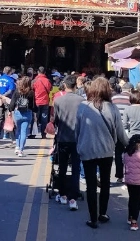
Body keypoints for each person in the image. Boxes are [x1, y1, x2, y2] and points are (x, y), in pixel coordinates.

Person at [75, 77, 129, 229]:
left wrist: (78, 146)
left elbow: (77, 129)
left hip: (87, 149)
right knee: (105, 183)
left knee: (91, 185)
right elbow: (120, 132)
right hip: (106, 150)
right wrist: (129, 145)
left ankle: (93, 218)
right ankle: (103, 213)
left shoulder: (83, 107)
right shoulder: (112, 108)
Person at [53, 75, 84, 211]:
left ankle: (62, 194)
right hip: (77, 138)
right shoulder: (82, 101)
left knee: (63, 167)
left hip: (63, 137)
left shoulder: (58, 100)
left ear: (65, 85)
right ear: (75, 86)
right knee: (76, 168)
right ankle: (73, 197)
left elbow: (56, 120)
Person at [9, 77, 36, 157]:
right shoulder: (31, 92)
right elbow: (33, 106)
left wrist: (10, 110)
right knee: (24, 132)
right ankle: (21, 150)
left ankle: (17, 147)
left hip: (18, 113)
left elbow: (12, 104)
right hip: (27, 113)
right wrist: (35, 114)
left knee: (18, 130)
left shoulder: (17, 91)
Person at [111, 82, 133, 184]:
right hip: (129, 129)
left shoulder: (114, 98)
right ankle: (129, 175)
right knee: (130, 153)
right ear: (130, 90)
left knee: (118, 152)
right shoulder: (131, 99)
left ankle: (119, 175)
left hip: (116, 129)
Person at [33, 66, 53, 139]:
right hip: (45, 101)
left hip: (36, 102)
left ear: (38, 72)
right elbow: (51, 89)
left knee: (35, 118)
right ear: (45, 72)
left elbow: (32, 89)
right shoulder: (48, 81)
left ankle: (33, 133)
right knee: (44, 118)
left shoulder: (35, 80)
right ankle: (43, 134)